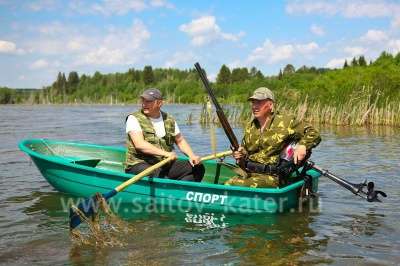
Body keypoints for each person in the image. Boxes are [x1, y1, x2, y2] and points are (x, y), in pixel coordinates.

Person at [225, 87, 321, 188]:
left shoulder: (286, 121)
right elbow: (246, 152)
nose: (254, 106)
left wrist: (303, 146)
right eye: (253, 102)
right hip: (250, 173)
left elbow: (314, 133)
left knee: (234, 185)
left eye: (259, 102)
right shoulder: (251, 126)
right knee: (227, 184)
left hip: (274, 177)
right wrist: (240, 154)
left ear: (270, 105)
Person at [125, 88, 205, 182]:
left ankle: (180, 191)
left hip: (163, 163)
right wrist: (166, 154)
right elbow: (140, 144)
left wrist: (192, 156)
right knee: (159, 175)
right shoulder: (133, 118)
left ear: (159, 103)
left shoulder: (169, 119)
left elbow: (180, 141)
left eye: (149, 101)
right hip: (139, 164)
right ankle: (173, 189)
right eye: (143, 100)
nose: (144, 104)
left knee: (198, 168)